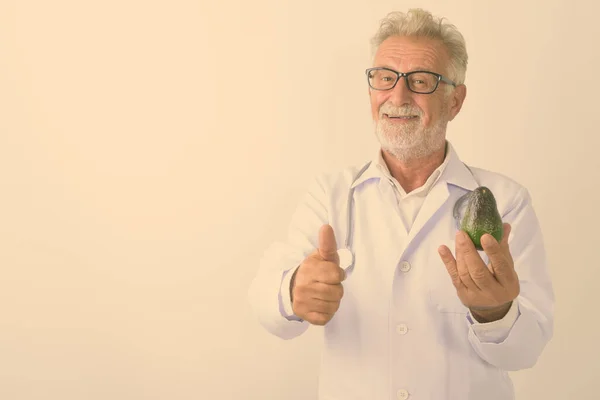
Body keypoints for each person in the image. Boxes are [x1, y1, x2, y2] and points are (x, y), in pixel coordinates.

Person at [247, 8, 554, 400]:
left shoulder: (506, 203)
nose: (397, 96)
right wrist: (292, 291)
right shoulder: (331, 194)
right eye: (384, 78)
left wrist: (494, 313)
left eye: (421, 81)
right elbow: (264, 302)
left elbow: (528, 349)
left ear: (455, 101)